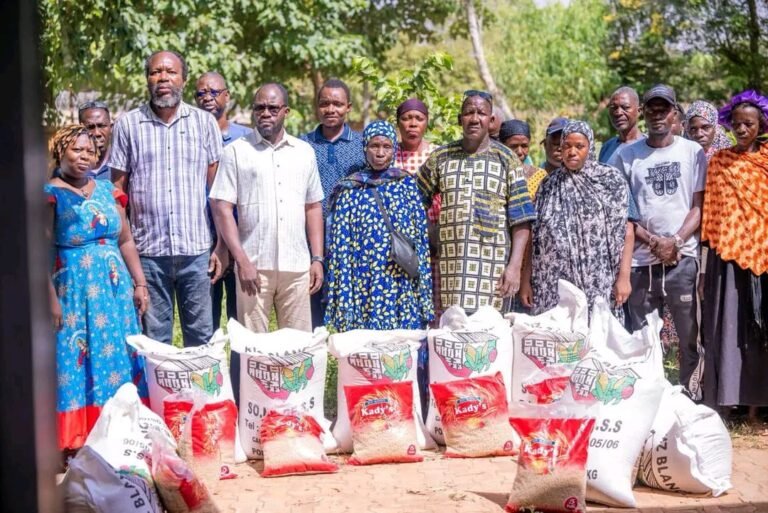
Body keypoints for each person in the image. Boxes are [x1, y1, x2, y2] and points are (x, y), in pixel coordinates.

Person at [108, 50, 225, 347]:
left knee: (200, 338)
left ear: (183, 80)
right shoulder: (127, 125)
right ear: (147, 79)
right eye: (156, 72)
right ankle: (161, 396)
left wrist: (221, 246)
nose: (163, 78)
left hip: (197, 251)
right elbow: (118, 192)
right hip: (148, 253)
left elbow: (218, 193)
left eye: (170, 72)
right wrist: (126, 250)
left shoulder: (204, 123)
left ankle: (200, 395)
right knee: (155, 342)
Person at [46, 125, 148, 455]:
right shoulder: (50, 194)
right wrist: (50, 298)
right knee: (75, 358)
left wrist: (140, 283)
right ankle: (76, 441)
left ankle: (120, 430)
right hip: (73, 291)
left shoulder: (107, 190)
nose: (84, 156)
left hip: (115, 291)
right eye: (76, 150)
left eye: (89, 151)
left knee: (118, 352)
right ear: (60, 152)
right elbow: (41, 248)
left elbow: (126, 240)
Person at [609, 84, 707, 396]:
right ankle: (647, 400)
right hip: (640, 262)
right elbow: (623, 212)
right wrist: (654, 241)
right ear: (644, 113)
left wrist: (675, 240)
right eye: (651, 108)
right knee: (642, 337)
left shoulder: (691, 152)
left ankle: (689, 398)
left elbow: (699, 206)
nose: (656, 114)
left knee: (689, 334)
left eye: (663, 109)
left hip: (682, 260)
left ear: (674, 113)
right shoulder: (626, 156)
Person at [210, 83, 324, 336]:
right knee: (253, 349)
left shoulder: (304, 152)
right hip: (253, 266)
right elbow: (222, 207)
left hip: (297, 267)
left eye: (273, 108)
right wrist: (241, 260)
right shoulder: (236, 152)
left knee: (297, 349)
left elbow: (313, 206)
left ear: (286, 111)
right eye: (259, 108)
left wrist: (317, 259)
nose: (266, 113)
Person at [418, 90, 535, 315]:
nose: (474, 118)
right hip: (453, 270)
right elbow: (413, 201)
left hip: (495, 272)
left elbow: (522, 220)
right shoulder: (441, 157)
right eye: (468, 112)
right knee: (456, 334)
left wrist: (514, 268)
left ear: (491, 120)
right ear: (459, 118)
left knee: (492, 338)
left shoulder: (507, 159)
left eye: (481, 113)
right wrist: (432, 233)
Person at [520, 121, 635, 320]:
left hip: (596, 282)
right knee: (557, 339)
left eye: (579, 146)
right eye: (566, 146)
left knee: (595, 340)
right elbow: (535, 236)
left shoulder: (609, 181)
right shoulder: (548, 185)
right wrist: (525, 280)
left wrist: (624, 277)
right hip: (552, 283)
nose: (572, 152)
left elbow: (627, 230)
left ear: (590, 147)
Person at [325, 120, 433, 331]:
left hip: (398, 279)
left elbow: (420, 238)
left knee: (399, 348)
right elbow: (339, 248)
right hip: (361, 280)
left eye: (386, 147)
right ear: (365, 148)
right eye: (374, 146)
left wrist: (423, 289)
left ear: (394, 149)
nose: (380, 153)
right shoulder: (349, 189)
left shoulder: (406, 185)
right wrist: (343, 292)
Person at [701, 90, 768, 420]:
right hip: (727, 256)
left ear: (761, 125)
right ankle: (728, 403)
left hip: (765, 256)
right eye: (737, 124)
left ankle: (757, 408)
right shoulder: (720, 162)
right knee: (729, 330)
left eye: (749, 124)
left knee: (760, 331)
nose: (742, 130)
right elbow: (712, 210)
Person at [301, 78, 365, 328]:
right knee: (310, 303)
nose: (331, 109)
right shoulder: (302, 144)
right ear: (317, 107)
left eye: (337, 104)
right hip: (308, 239)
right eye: (325, 103)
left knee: (349, 305)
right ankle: (315, 360)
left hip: (350, 239)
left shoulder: (362, 146)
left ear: (348, 107)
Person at [194, 71, 254, 331]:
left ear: (227, 96)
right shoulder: (189, 135)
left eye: (214, 92)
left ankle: (239, 371)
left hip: (243, 241)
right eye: (201, 93)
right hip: (203, 242)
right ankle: (210, 371)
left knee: (241, 321)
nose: (207, 97)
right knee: (206, 322)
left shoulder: (247, 138)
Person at [394, 98, 441, 318]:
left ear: (427, 122)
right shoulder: (388, 154)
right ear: (398, 123)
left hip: (431, 243)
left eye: (418, 119)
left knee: (433, 304)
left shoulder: (437, 155)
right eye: (406, 118)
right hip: (397, 244)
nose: (412, 124)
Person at [500, 119, 548, 196]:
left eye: (524, 146)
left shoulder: (540, 176)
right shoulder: (495, 174)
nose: (519, 152)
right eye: (513, 146)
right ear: (502, 146)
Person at [598, 86, 645, 163]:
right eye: (613, 107)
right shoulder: (606, 148)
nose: (618, 113)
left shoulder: (649, 146)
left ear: (639, 111)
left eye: (625, 107)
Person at [78, 101, 113, 180]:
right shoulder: (71, 168)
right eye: (90, 127)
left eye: (102, 126)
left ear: (111, 128)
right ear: (80, 130)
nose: (97, 133)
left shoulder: (121, 165)